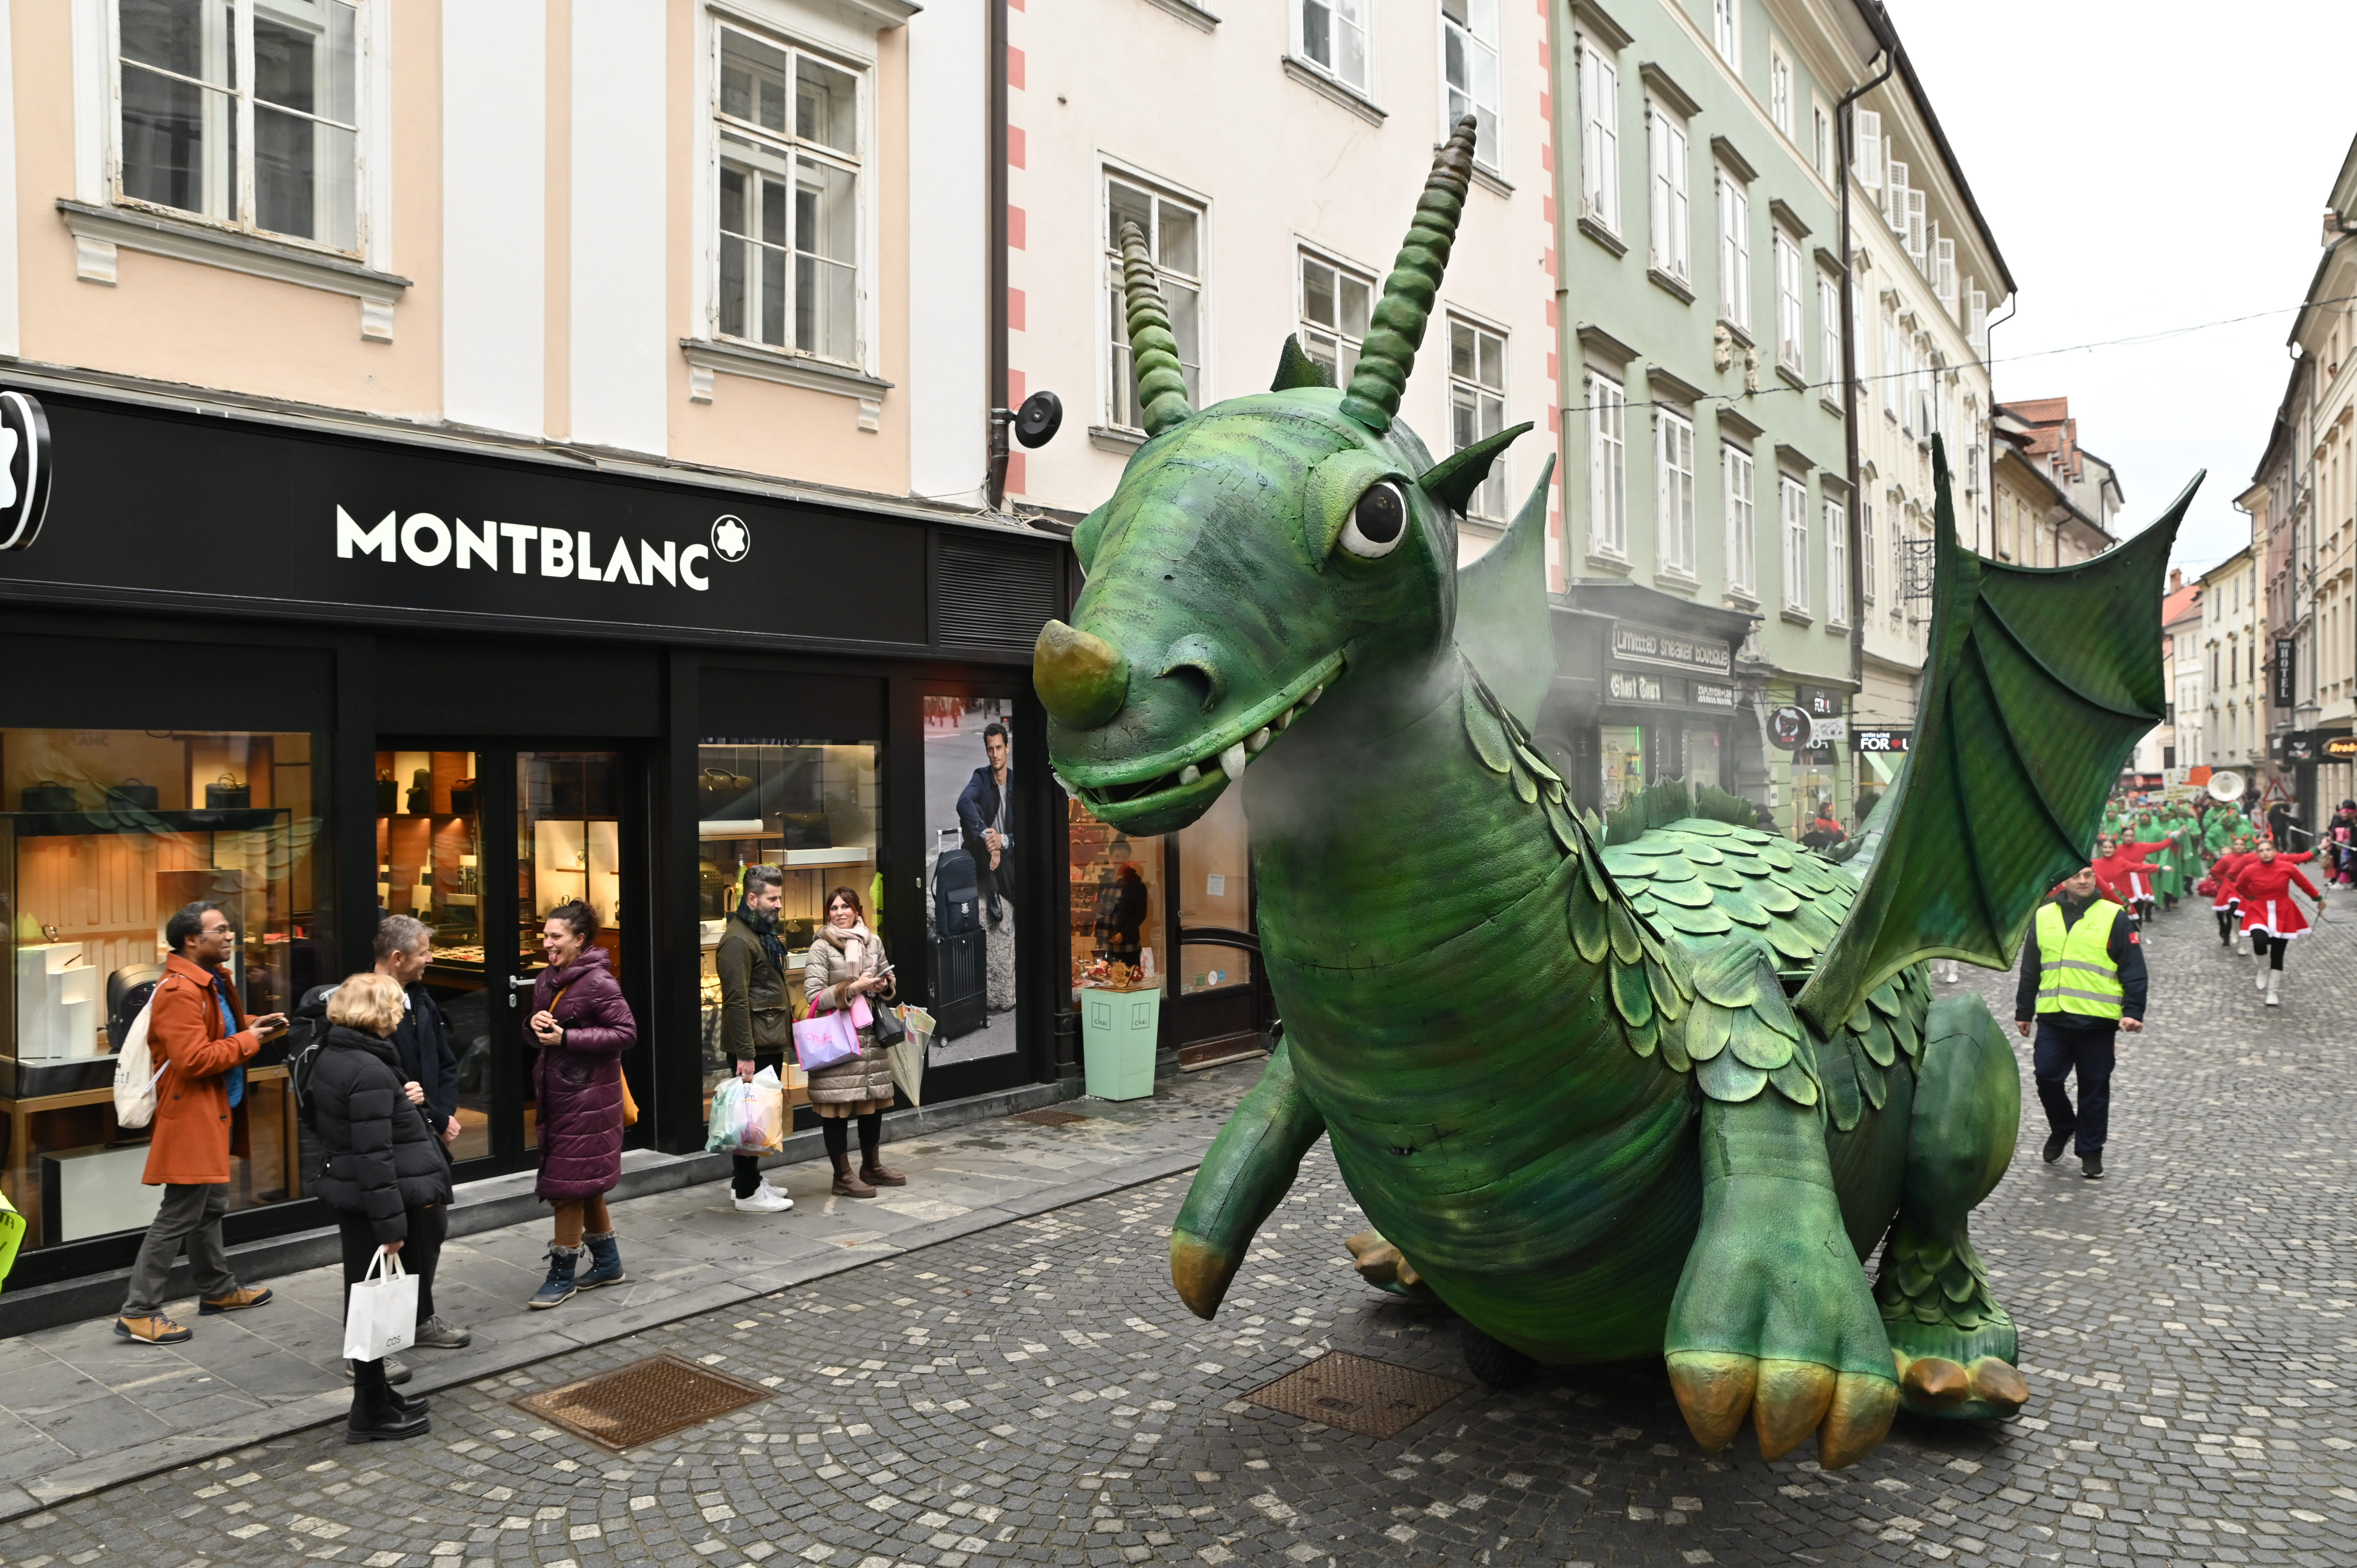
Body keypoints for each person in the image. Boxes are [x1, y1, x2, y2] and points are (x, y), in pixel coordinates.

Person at [115, 902, 287, 1344]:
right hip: (193, 1116)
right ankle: (139, 1311)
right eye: (221, 930)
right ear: (192, 940)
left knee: (210, 1208)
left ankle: (217, 1289)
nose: (230, 936)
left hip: (215, 1113)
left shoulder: (210, 980)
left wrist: (256, 1025)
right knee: (178, 1215)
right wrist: (248, 1040)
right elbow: (192, 1059)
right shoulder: (180, 990)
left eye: (229, 929)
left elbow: (216, 1030)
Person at [310, 973, 454, 1442]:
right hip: (376, 1201)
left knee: (370, 1296)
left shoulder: (339, 1055)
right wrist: (391, 1227)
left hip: (364, 1195)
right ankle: (368, 1410)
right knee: (372, 1299)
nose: (402, 1013)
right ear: (376, 1012)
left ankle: (377, 1394)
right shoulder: (367, 1069)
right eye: (395, 1005)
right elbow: (375, 1155)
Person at [524, 900, 636, 1308]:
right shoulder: (546, 979)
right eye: (545, 935)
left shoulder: (599, 982)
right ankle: (608, 1263)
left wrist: (568, 1039)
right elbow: (538, 1031)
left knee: (568, 1187)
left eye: (556, 937)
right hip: (560, 1097)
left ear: (579, 939)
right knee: (582, 1181)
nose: (547, 943)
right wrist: (533, 1025)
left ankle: (562, 1274)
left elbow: (626, 1032)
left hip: (589, 1099)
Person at [369, 916, 470, 1353]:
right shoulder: (364, 1004)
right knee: (391, 1237)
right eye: (424, 952)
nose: (431, 959)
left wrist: (441, 1115)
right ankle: (379, 1339)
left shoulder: (422, 999)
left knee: (431, 1224)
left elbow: (445, 1064)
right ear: (397, 957)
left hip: (425, 1136)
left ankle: (418, 1317)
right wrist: (429, 1116)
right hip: (391, 1139)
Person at [2015, 864, 2147, 1181]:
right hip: (2054, 1018)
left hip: (2097, 1022)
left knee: (2094, 1090)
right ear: (2064, 880)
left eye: (2089, 875)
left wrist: (2133, 1011)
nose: (2084, 880)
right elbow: (2031, 968)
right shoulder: (2043, 916)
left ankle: (2091, 1151)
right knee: (2046, 1077)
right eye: (2077, 876)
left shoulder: (2114, 916)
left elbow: (2134, 968)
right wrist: (2024, 1010)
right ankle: (2063, 1127)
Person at [804, 886, 902, 1197]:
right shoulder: (821, 947)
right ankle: (842, 1177)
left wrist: (884, 985)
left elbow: (889, 982)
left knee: (872, 1105)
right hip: (839, 1038)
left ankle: (871, 1166)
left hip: (871, 1036)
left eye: (845, 907)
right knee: (837, 1109)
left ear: (857, 910)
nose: (840, 913)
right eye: (834, 908)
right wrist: (853, 988)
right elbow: (813, 996)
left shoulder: (873, 941)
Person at [719, 865, 796, 1215]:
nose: (779, 904)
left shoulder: (758, 933)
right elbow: (736, 1001)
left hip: (765, 1040)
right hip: (753, 1046)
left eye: (780, 897)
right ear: (752, 899)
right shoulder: (738, 941)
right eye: (772, 898)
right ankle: (748, 1192)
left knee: (757, 1119)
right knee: (748, 1121)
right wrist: (745, 1055)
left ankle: (747, 1181)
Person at [2232, 841, 2322, 1007]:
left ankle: (2272, 992)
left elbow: (2304, 884)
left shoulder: (2288, 867)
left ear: (2275, 851)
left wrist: (2318, 899)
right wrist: (2251, 896)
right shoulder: (2250, 870)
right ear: (2257, 854)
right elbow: (2240, 886)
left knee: (2278, 954)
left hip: (2283, 912)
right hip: (2259, 910)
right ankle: (2263, 968)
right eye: (2261, 851)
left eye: (2268, 850)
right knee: (2259, 941)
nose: (2265, 853)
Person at [956, 721, 1016, 927]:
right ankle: (992, 891)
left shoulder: (1016, 783)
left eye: (999, 748)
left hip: (1006, 854)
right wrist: (990, 838)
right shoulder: (981, 777)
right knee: (972, 810)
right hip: (982, 852)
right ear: (987, 752)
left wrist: (1002, 841)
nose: (995, 754)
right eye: (991, 749)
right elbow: (963, 803)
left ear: (1007, 748)